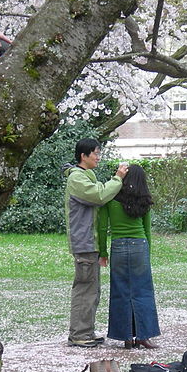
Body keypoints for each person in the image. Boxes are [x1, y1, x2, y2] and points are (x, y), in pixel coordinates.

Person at [62, 139, 129, 348]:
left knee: (91, 289)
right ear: (84, 156)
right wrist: (118, 178)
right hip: (84, 243)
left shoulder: (86, 177)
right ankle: (80, 334)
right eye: (96, 154)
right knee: (85, 289)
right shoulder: (77, 179)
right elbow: (99, 195)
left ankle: (85, 331)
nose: (98, 157)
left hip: (89, 243)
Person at [97, 164, 161, 349]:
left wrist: (103, 252)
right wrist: (147, 254)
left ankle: (125, 336)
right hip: (139, 246)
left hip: (118, 246)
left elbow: (102, 227)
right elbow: (147, 231)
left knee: (120, 292)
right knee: (143, 292)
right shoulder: (144, 200)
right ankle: (144, 335)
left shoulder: (111, 198)